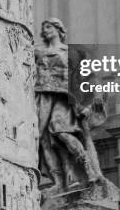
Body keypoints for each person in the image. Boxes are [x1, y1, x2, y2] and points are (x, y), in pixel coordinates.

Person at [35, 17, 104, 191]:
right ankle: (58, 182)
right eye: (44, 28)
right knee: (44, 140)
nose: (45, 30)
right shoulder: (37, 51)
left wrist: (92, 102)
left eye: (49, 26)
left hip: (64, 97)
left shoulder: (70, 52)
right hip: (42, 96)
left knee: (60, 130)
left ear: (59, 29)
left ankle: (88, 168)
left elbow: (90, 76)